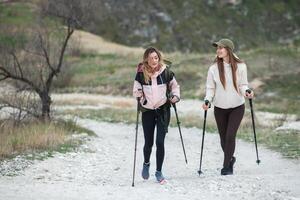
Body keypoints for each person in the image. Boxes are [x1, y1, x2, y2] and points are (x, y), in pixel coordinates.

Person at [202, 38, 254, 175]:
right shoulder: (213, 68)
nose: (218, 50)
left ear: (228, 50)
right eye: (217, 48)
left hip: (237, 106)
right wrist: (207, 100)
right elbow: (210, 88)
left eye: (221, 48)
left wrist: (247, 92)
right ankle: (231, 158)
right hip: (219, 108)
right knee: (223, 138)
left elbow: (243, 85)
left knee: (230, 136)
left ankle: (226, 167)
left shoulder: (241, 66)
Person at [133, 47, 180, 183]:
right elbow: (136, 90)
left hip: (163, 110)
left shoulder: (166, 72)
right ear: (146, 59)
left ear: (159, 58)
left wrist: (175, 97)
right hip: (147, 111)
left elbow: (175, 87)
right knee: (148, 142)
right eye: (151, 58)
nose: (154, 60)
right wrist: (139, 94)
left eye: (156, 58)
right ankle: (146, 163)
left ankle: (159, 172)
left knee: (160, 142)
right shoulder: (141, 74)